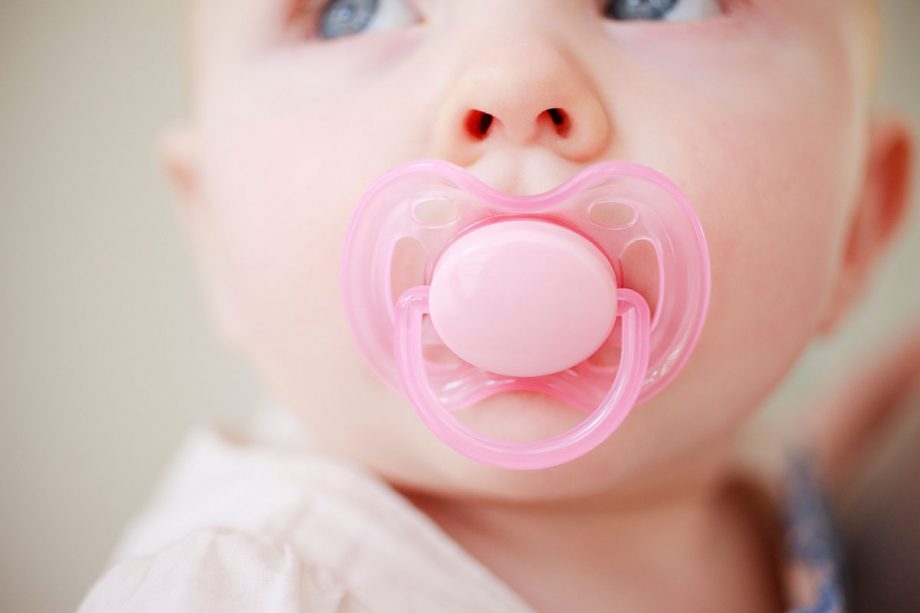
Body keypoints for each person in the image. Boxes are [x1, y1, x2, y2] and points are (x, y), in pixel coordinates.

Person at [78, 0, 915, 611]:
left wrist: (835, 468)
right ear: (214, 235)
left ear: (855, 227)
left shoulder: (768, 481)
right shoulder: (240, 590)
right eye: (356, 13)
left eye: (656, 3)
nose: (514, 83)